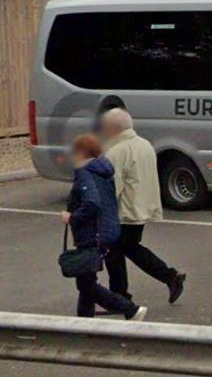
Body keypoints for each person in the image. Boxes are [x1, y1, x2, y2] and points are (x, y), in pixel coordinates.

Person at [100, 109, 185, 305]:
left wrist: (100, 211)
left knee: (116, 251)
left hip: (124, 211)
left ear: (113, 128)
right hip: (141, 207)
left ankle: (122, 296)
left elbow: (112, 187)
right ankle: (166, 278)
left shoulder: (116, 152)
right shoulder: (144, 144)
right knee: (126, 248)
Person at [63, 134, 146, 321]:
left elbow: (91, 202)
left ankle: (130, 309)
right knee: (86, 279)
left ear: (81, 153)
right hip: (107, 230)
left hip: (92, 233)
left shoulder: (84, 172)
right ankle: (84, 321)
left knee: (86, 284)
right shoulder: (105, 172)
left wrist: (72, 217)